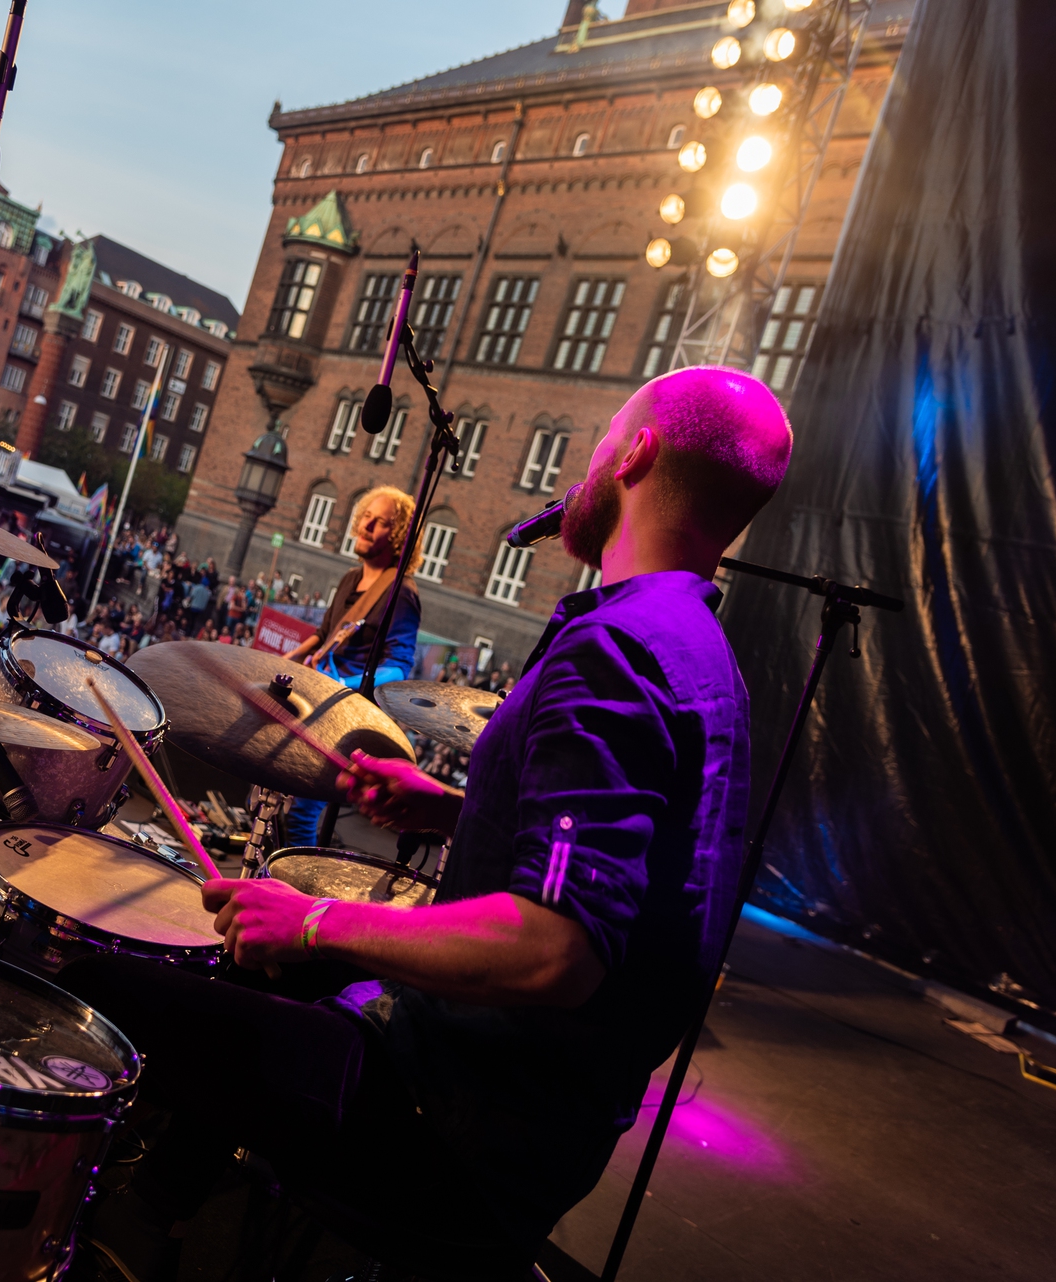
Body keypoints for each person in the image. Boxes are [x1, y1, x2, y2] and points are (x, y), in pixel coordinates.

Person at [61, 367, 795, 1282]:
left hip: (450, 1124)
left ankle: (90, 1245)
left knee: (102, 990)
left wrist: (316, 920)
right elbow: (630, 876)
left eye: (605, 440)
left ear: (636, 453)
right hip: (537, 1123)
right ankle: (154, 1218)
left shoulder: (618, 653)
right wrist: (450, 807)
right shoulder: (699, 649)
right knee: (263, 978)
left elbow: (557, 949)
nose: (588, 464)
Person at [276, 486, 421, 847]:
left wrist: (346, 682)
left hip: (344, 717)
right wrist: (283, 660)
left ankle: (295, 895)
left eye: (381, 522)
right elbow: (325, 634)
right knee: (273, 799)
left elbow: (399, 666)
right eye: (366, 516)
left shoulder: (401, 593)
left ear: (399, 536)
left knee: (302, 814)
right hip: (313, 701)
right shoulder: (349, 579)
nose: (367, 525)